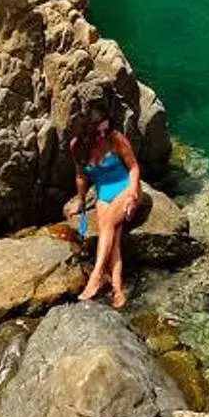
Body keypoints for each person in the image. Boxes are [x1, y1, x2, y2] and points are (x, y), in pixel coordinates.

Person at [65, 103, 144, 308]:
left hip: (126, 188)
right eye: (98, 131)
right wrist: (81, 201)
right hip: (104, 193)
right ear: (87, 130)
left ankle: (97, 274)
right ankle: (118, 289)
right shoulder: (76, 145)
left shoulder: (116, 139)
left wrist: (133, 194)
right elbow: (81, 176)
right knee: (113, 238)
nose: (102, 135)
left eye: (105, 130)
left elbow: (134, 168)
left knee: (107, 225)